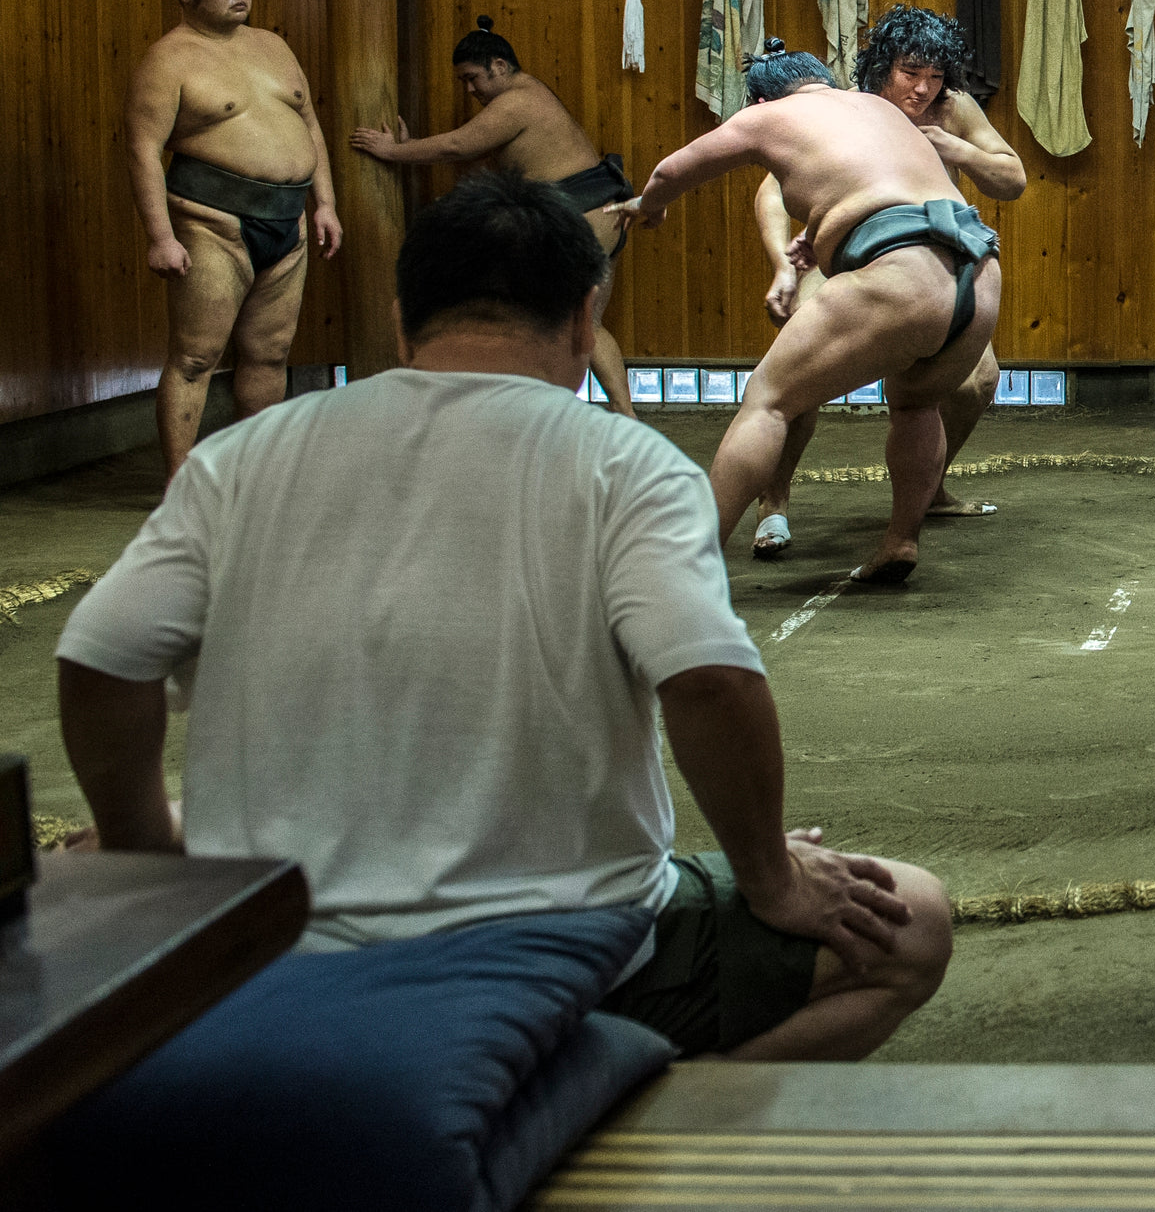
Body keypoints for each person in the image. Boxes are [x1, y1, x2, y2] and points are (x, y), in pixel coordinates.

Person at [57, 171, 951, 1062]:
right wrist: (769, 877)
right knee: (912, 926)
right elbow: (711, 683)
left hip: (270, 943)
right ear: (582, 320)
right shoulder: (628, 467)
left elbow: (102, 659)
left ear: (404, 322)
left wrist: (146, 855)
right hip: (563, 945)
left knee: (115, 844)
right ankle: (600, 1101)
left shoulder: (241, 458)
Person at [609, 43, 1002, 586]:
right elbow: (886, 187)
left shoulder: (766, 116)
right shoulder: (877, 108)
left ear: (762, 97)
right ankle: (900, 540)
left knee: (768, 402)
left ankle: (687, 568)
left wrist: (648, 207)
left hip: (902, 271)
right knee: (916, 404)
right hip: (979, 271)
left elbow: (673, 169)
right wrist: (824, 239)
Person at [750, 7, 1026, 558]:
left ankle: (928, 490)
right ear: (883, 66)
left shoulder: (954, 111)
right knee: (796, 376)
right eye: (911, 72)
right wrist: (784, 262)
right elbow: (773, 190)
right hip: (842, 258)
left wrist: (957, 150)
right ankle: (772, 504)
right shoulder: (849, 106)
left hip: (928, 263)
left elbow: (1012, 178)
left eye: (936, 76)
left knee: (977, 382)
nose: (924, 88)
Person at [125, 0, 343, 481]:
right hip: (211, 222)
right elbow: (142, 149)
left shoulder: (272, 45)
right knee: (196, 359)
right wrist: (160, 236)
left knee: (270, 355)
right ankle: (179, 485)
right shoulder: (168, 58)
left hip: (288, 223)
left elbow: (309, 125)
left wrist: (326, 204)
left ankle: (258, 476)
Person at [349, 16, 636, 417]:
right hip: (604, 213)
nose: (469, 90)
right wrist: (412, 146)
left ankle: (538, 414)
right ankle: (627, 417)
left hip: (577, 216)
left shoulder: (517, 101)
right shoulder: (531, 95)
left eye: (472, 78)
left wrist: (393, 151)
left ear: (498, 66)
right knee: (588, 324)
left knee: (540, 321)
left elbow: (457, 146)